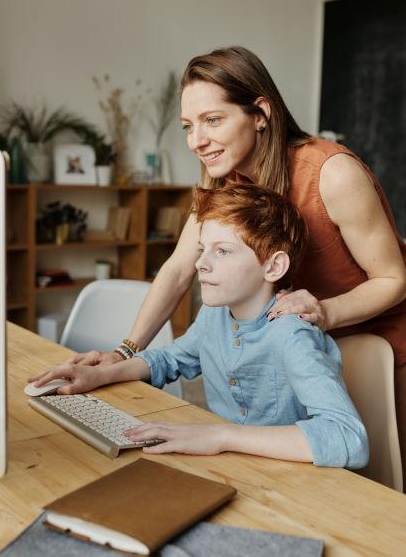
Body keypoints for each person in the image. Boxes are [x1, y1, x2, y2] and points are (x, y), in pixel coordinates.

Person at [33, 47, 406, 480]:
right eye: (189, 126)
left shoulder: (332, 173)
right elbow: (177, 268)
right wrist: (123, 353)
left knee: (384, 482)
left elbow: (394, 278)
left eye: (213, 120)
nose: (196, 141)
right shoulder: (222, 180)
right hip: (299, 336)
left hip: (378, 341)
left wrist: (326, 312)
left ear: (260, 113)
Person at [30, 183, 369, 468]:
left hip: (291, 480)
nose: (200, 263)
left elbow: (348, 437)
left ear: (273, 266)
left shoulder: (291, 333)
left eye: (222, 251)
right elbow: (172, 358)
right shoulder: (215, 315)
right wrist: (103, 373)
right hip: (233, 465)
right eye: (203, 248)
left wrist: (220, 435)